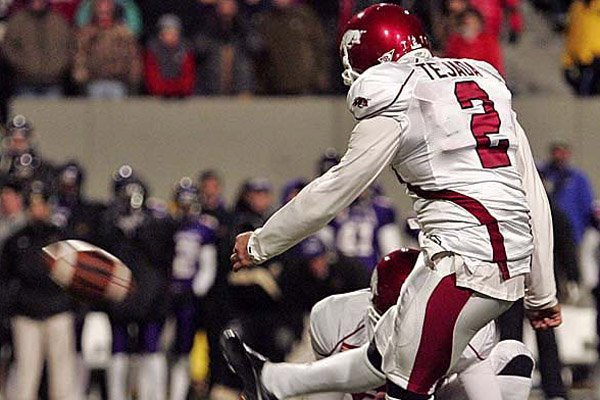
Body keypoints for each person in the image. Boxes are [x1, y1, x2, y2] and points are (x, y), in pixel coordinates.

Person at [226, 4, 559, 400]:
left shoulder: (393, 87)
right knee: (385, 354)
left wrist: (263, 242)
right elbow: (531, 195)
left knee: (406, 385)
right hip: (493, 257)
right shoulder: (484, 78)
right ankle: (275, 383)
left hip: (465, 260)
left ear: (377, 53)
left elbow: (339, 187)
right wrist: (542, 291)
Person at [223, 248, 536, 400]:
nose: (401, 325)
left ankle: (274, 380)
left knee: (513, 357)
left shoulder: (464, 328)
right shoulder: (335, 318)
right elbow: (328, 391)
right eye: (393, 317)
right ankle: (274, 381)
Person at [95, 165, 174, 400]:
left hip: (150, 296)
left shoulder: (156, 221)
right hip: (119, 294)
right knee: (118, 349)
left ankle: (154, 396)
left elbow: (163, 257)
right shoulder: (107, 221)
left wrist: (142, 230)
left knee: (151, 349)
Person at [0, 181, 77, 400]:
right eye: (33, 205)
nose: (38, 209)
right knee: (25, 377)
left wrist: (74, 306)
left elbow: (75, 277)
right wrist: (9, 310)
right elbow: (6, 279)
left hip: (58, 312)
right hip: (26, 316)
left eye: (42, 204)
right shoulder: (16, 241)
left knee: (62, 379)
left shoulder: (61, 237)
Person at [168, 177, 218, 400]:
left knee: (185, 350)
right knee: (164, 348)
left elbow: (208, 266)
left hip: (189, 298)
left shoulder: (205, 229)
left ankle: (182, 394)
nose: (186, 209)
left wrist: (196, 290)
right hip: (168, 295)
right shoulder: (168, 226)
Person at [255, 0, 329, 94]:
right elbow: (262, 57)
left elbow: (320, 47)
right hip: (277, 85)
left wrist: (321, 75)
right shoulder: (265, 20)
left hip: (306, 84)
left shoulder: (304, 15)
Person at [2, 0, 72, 97]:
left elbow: (69, 48)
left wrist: (56, 69)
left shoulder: (58, 22)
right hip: (25, 82)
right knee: (26, 112)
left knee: (53, 111)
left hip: (53, 82)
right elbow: (9, 49)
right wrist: (24, 67)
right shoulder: (17, 22)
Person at [73, 0, 141, 98]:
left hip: (118, 83)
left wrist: (133, 80)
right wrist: (81, 79)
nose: (104, 15)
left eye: (107, 12)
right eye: (101, 12)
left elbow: (134, 58)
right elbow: (79, 57)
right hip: (94, 83)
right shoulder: (86, 33)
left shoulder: (124, 33)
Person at [145, 14, 196, 98]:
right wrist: (165, 91)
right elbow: (152, 78)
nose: (171, 36)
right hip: (157, 98)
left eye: (174, 32)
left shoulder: (186, 50)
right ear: (160, 35)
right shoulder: (153, 50)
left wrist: (177, 91)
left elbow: (188, 79)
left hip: (182, 98)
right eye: (167, 32)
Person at [444, 8, 504, 76]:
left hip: (484, 78)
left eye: (472, 22)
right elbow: (449, 62)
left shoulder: (488, 41)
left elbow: (494, 65)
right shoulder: (455, 42)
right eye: (466, 23)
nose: (469, 25)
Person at [0, 115, 56, 187]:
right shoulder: (4, 164)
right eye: (15, 141)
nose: (17, 145)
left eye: (21, 141)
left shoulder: (41, 167)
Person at [562, 0, 600, 96]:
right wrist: (568, 57)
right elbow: (572, 33)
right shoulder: (576, 7)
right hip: (580, 56)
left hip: (596, 55)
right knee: (583, 92)